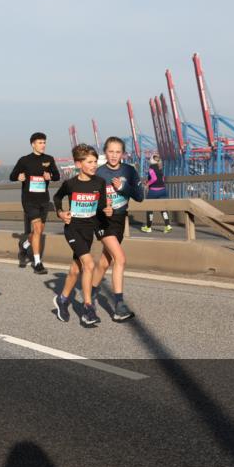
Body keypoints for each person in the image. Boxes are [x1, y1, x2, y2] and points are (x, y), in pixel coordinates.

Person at [52, 144, 113, 328]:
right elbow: (56, 198)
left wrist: (107, 210)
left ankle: (62, 299)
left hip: (89, 231)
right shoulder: (70, 184)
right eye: (90, 162)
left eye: (95, 161)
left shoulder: (100, 183)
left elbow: (102, 206)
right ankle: (88, 308)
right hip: (73, 230)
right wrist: (61, 213)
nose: (94, 165)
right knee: (89, 264)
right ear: (79, 164)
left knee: (75, 270)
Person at [92, 137, 143, 321]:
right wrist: (101, 208)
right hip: (103, 221)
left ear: (123, 154)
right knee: (120, 258)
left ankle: (90, 295)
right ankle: (119, 306)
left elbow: (140, 196)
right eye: (110, 151)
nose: (114, 155)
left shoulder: (129, 171)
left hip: (120, 220)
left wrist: (124, 187)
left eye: (117, 152)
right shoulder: (98, 173)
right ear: (105, 152)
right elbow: (90, 200)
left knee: (105, 262)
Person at [10, 132, 61, 273]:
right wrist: (18, 177)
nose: (43, 145)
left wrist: (49, 175)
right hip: (29, 200)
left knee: (38, 231)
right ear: (33, 144)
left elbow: (57, 176)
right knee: (38, 229)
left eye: (44, 142)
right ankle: (38, 263)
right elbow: (12, 175)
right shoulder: (24, 160)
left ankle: (25, 245)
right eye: (40, 142)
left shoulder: (49, 159)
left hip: (44, 200)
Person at [142, 154, 172, 233]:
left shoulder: (151, 168)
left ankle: (148, 227)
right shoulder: (160, 167)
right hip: (163, 190)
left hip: (154, 191)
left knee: (149, 208)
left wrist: (148, 184)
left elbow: (154, 178)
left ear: (151, 160)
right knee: (163, 208)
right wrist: (148, 181)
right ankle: (167, 226)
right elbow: (161, 179)